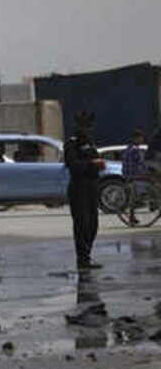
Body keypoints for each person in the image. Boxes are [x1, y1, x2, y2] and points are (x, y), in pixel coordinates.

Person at [64, 111, 105, 271]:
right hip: (78, 188)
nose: (88, 129)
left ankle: (87, 255)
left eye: (89, 126)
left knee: (93, 224)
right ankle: (82, 259)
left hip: (91, 187)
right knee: (82, 224)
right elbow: (72, 165)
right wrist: (93, 164)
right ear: (79, 126)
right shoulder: (72, 143)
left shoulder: (90, 142)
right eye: (85, 126)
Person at [122, 129, 147, 225]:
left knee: (133, 197)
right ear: (135, 138)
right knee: (151, 181)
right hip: (133, 175)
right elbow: (141, 163)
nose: (142, 140)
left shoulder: (129, 148)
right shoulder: (135, 149)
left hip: (128, 175)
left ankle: (132, 217)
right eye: (140, 138)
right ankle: (149, 201)